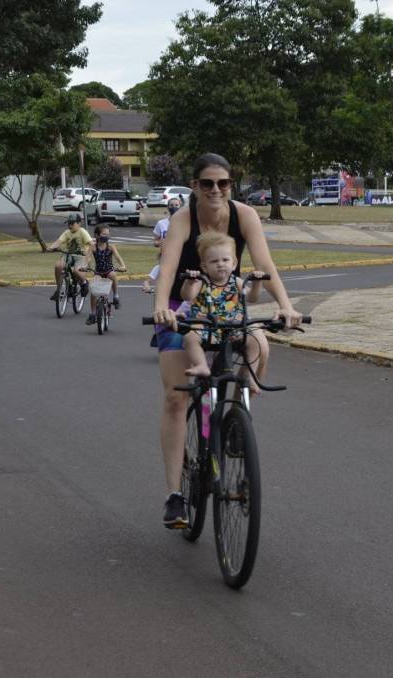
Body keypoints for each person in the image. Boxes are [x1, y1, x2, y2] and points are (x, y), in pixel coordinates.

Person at [152, 152, 302, 529]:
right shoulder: (183, 218)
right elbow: (167, 269)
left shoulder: (244, 215)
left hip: (229, 304)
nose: (216, 190)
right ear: (195, 186)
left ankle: (236, 417)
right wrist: (161, 309)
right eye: (207, 183)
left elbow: (265, 267)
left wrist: (286, 307)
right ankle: (175, 496)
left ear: (231, 185)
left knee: (260, 345)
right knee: (176, 396)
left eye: (223, 183)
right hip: (184, 306)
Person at [179, 232, 265, 394]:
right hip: (207, 327)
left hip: (233, 328)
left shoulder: (236, 282)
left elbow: (252, 298)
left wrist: (257, 283)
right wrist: (189, 282)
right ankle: (201, 365)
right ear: (204, 266)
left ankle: (251, 376)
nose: (220, 264)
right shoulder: (202, 281)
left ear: (234, 263)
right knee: (190, 337)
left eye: (225, 260)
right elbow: (187, 296)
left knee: (256, 336)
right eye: (214, 261)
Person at [85, 224, 127, 326]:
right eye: (104, 234)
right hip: (98, 272)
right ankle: (93, 313)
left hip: (109, 270)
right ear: (97, 235)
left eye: (108, 234)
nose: (106, 236)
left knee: (113, 275)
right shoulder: (93, 247)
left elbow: (118, 257)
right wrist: (84, 265)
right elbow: (87, 258)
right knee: (94, 289)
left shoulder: (111, 247)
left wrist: (123, 266)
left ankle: (116, 296)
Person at [47, 213, 92, 300]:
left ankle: (84, 283)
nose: (70, 226)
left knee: (76, 271)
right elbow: (59, 241)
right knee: (58, 265)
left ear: (79, 223)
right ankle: (58, 289)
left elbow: (91, 244)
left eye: (72, 223)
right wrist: (51, 247)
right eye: (69, 223)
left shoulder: (82, 232)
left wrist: (87, 257)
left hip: (80, 256)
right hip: (68, 255)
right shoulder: (67, 232)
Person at [143, 197, 181, 293]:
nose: (174, 207)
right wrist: (160, 242)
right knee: (162, 268)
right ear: (168, 207)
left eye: (176, 205)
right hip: (165, 254)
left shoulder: (184, 223)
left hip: (181, 254)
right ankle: (148, 283)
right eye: (171, 205)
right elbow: (155, 241)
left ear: (180, 206)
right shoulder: (161, 223)